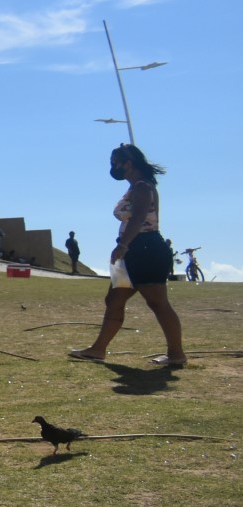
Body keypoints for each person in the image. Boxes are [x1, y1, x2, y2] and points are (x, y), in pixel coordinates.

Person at [69, 144, 187, 368]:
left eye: (115, 162)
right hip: (134, 251)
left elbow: (140, 217)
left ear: (128, 164)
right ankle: (98, 350)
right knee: (114, 299)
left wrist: (123, 245)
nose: (112, 167)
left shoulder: (142, 187)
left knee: (158, 302)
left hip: (145, 250)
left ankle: (176, 354)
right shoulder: (136, 187)